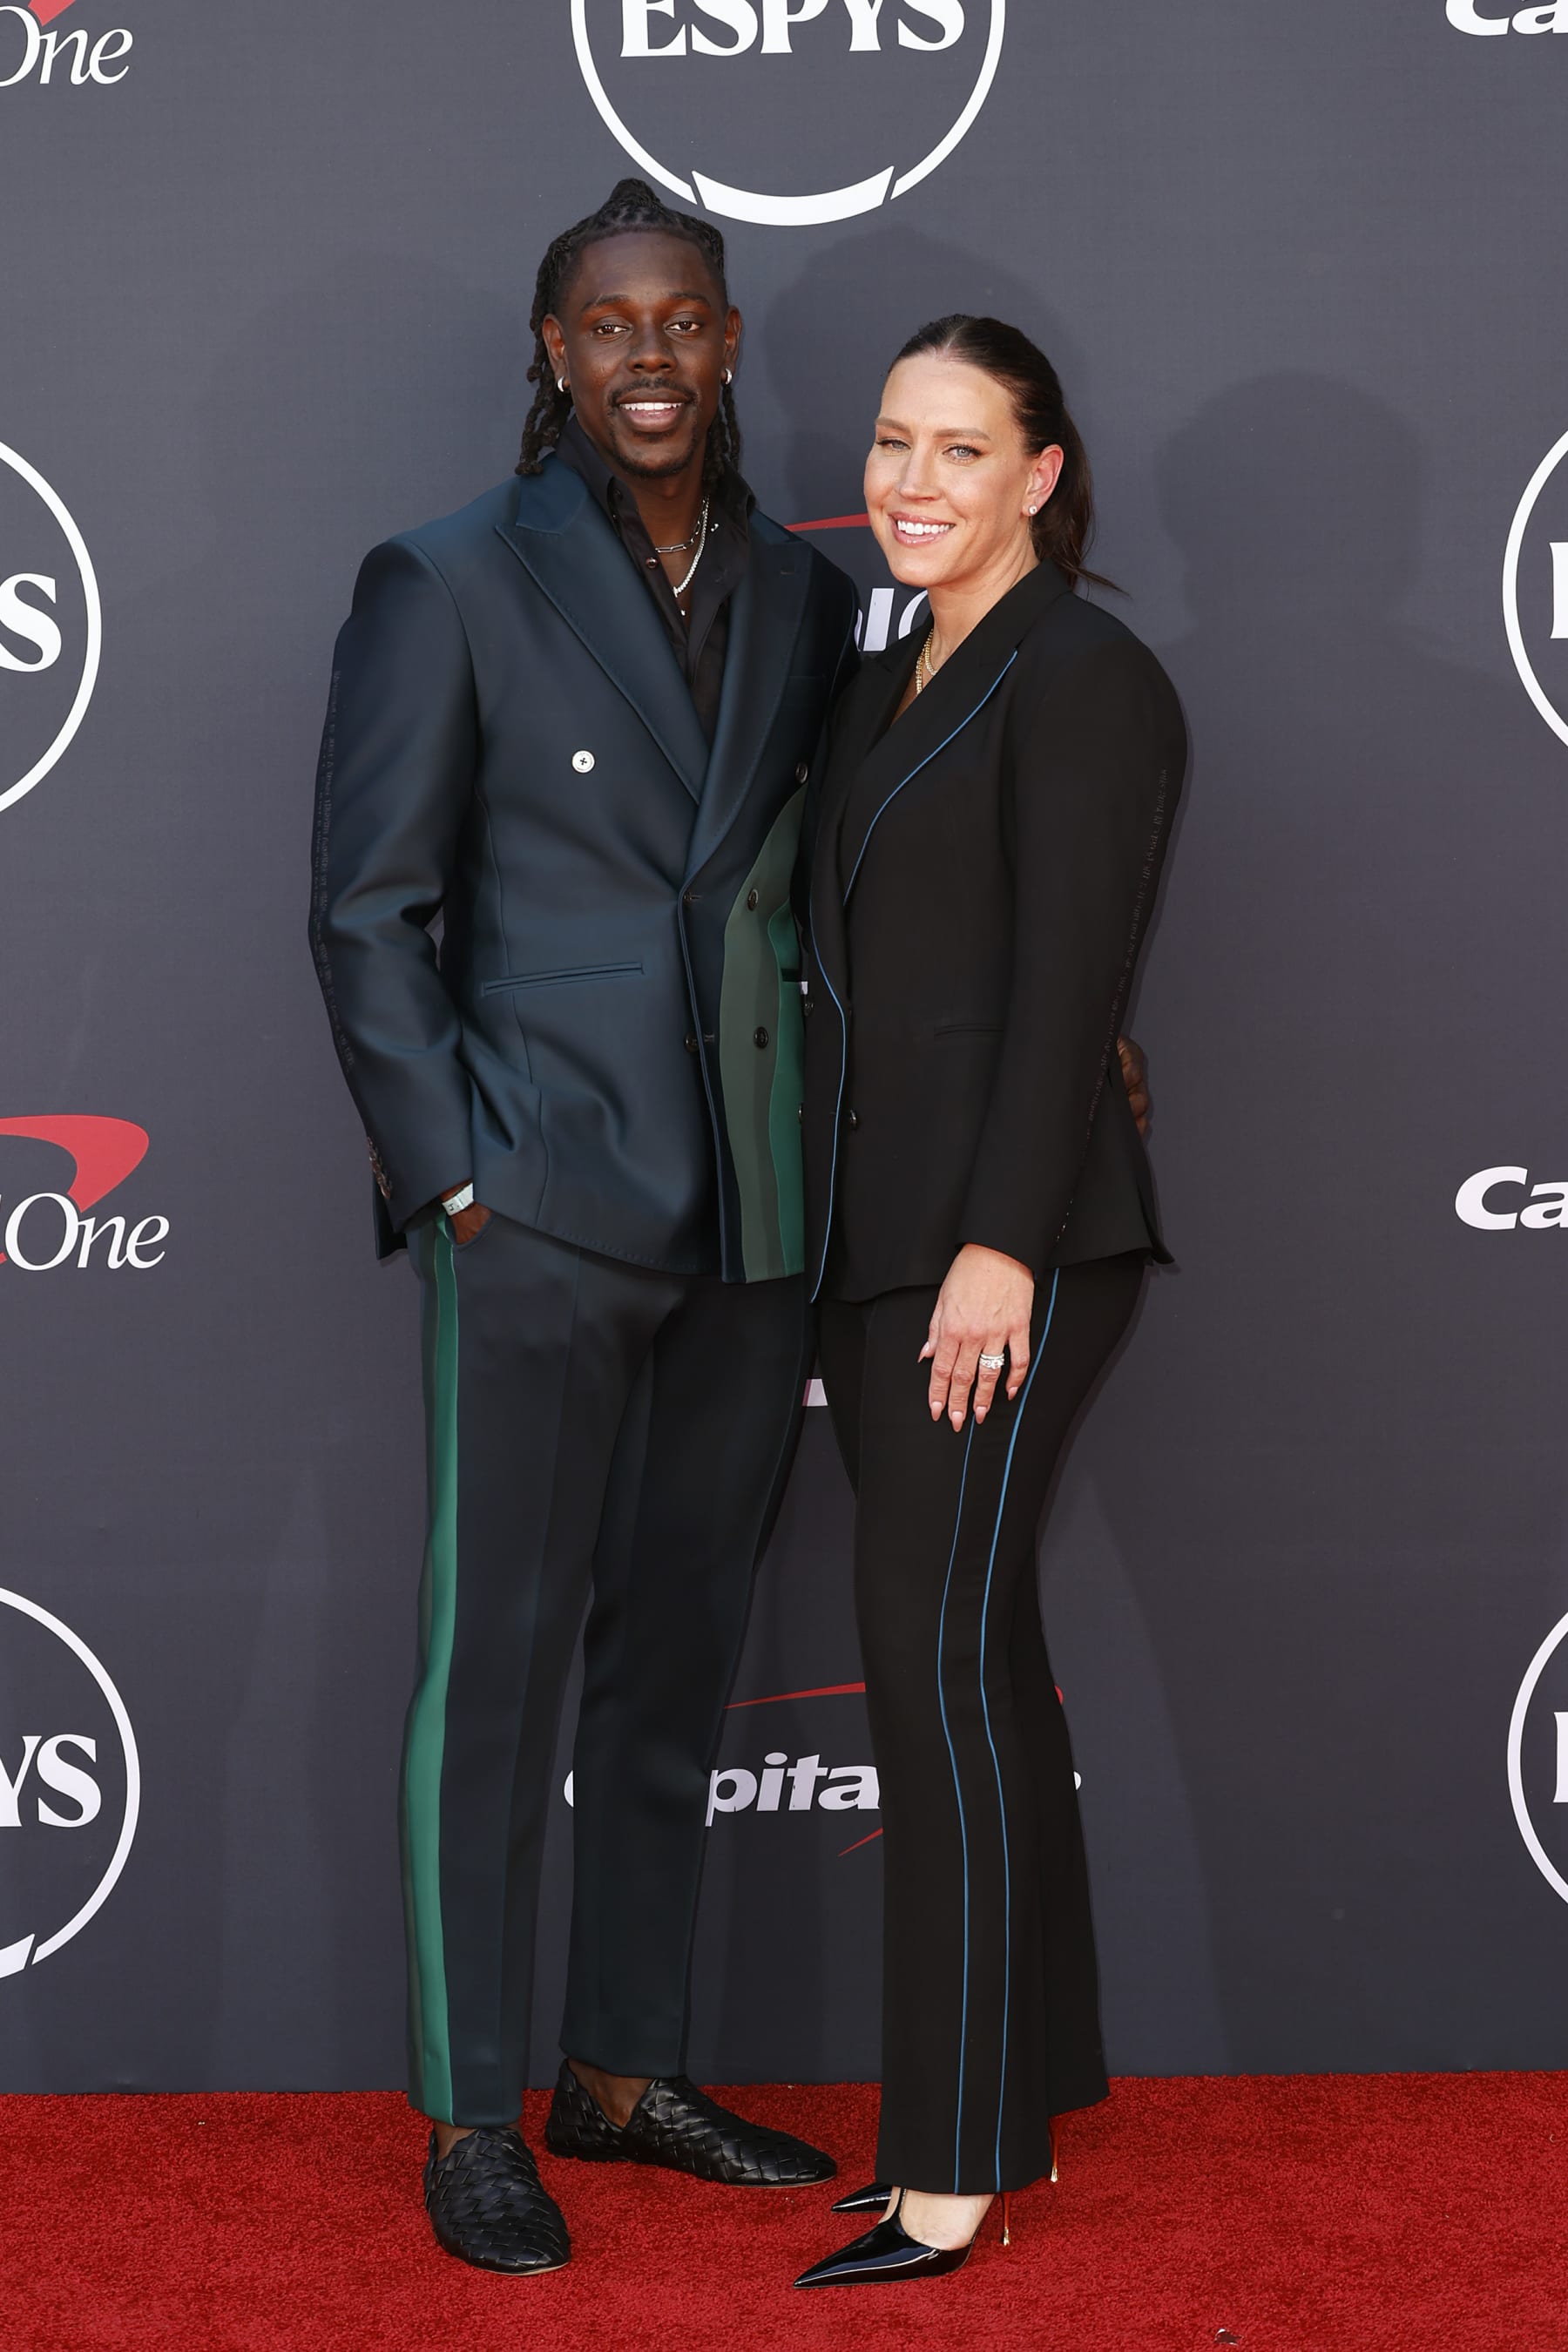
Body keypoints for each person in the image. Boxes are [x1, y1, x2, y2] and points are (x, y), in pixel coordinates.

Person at [308, 178, 860, 2276]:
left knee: (676, 1661)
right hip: (531, 1202)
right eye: (607, 323)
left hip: (753, 1206)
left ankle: (623, 2073)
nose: (648, 353)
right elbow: (369, 909)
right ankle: (470, 2116)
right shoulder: (445, 576)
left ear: (728, 347)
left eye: (684, 320)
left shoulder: (807, 605)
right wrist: (452, 1171)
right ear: (554, 355)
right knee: (498, 1667)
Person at [794, 316, 1186, 2288]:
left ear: (1043, 473)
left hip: (995, 1257)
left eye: (962, 449)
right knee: (974, 1661)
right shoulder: (898, 672)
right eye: (892, 443)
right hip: (887, 1249)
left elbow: (1068, 991)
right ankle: (1015, 2088)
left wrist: (1000, 1247)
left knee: (934, 1678)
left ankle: (951, 2166)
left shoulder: (1088, 673)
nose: (915, 482)